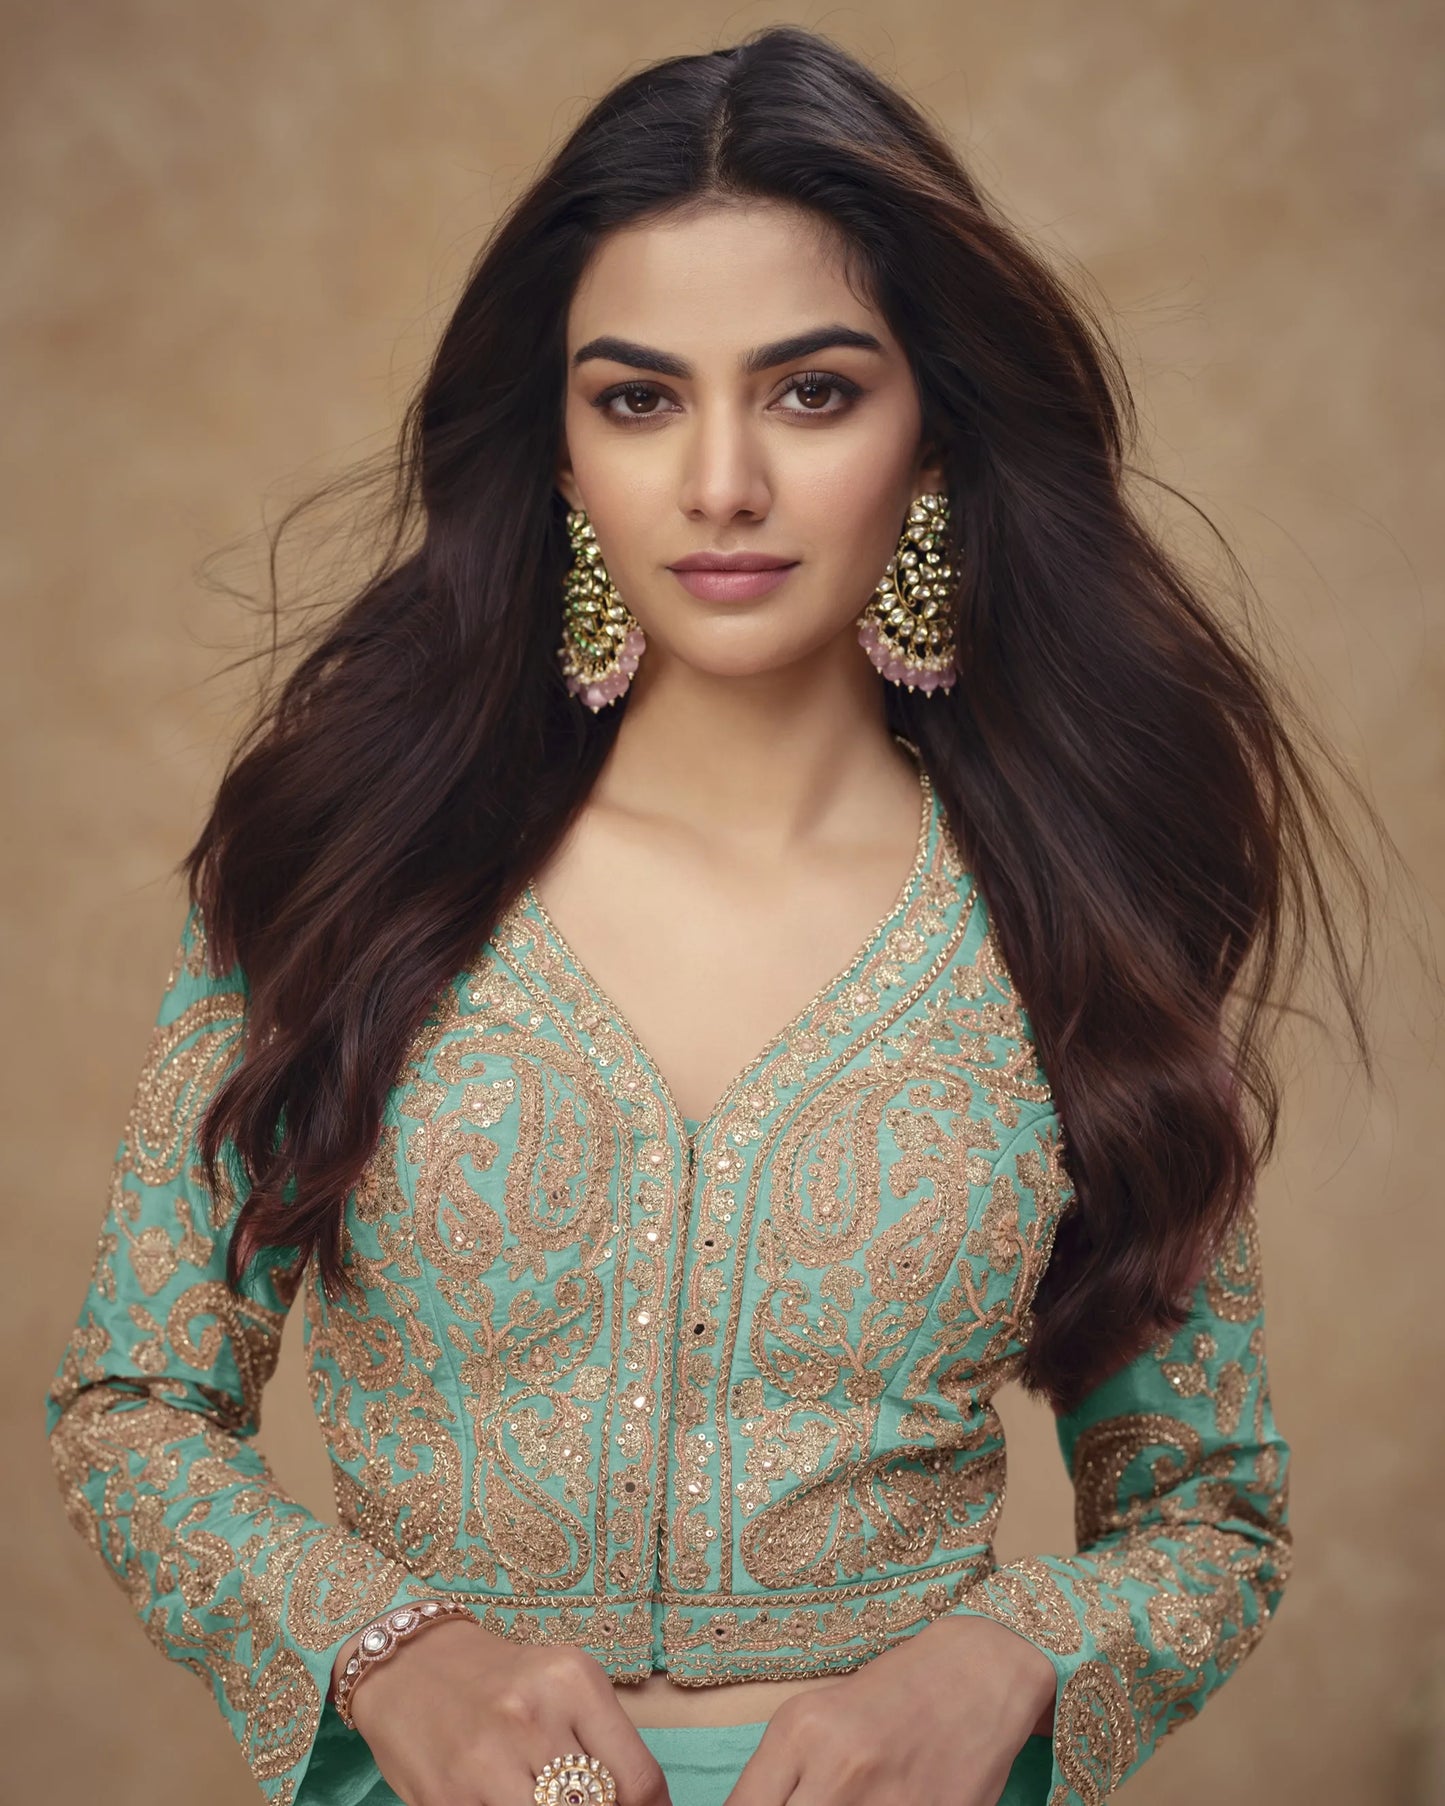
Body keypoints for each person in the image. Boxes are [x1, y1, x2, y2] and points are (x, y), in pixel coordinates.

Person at [45, 25, 1382, 1806]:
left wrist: (994, 1663)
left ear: (932, 436)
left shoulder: (1078, 914)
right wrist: (393, 1655)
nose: (722, 482)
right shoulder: (350, 862)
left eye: (812, 391)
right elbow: (133, 1408)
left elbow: (1207, 1510)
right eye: (640, 396)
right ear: (559, 449)